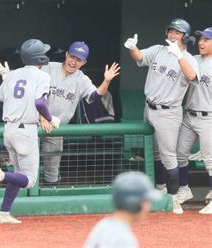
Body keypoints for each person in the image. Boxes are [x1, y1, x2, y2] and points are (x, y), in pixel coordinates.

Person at [0, 41, 120, 186]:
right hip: (32, 124)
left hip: (55, 128)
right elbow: (28, 83)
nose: (73, 62)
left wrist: (106, 81)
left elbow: (94, 96)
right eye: (72, 57)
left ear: (84, 62)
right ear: (66, 54)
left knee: (52, 170)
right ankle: (18, 196)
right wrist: (9, 76)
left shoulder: (81, 79)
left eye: (79, 59)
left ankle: (47, 199)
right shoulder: (48, 67)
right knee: (22, 168)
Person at [124, 18, 199, 214]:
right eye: (171, 31)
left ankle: (174, 198)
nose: (173, 35)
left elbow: (191, 77)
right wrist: (132, 47)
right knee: (155, 153)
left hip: (169, 111)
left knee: (168, 155)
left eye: (178, 32)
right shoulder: (158, 49)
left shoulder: (189, 59)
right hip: (149, 107)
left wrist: (179, 56)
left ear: (185, 36)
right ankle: (160, 188)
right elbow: (139, 57)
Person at [0, 39, 60, 224]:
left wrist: (7, 78)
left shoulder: (13, 74)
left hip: (9, 130)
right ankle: (1, 175)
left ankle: (3, 213)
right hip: (26, 130)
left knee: (18, 173)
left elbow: (0, 97)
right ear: (40, 57)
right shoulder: (42, 76)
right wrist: (50, 118)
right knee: (30, 180)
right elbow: (40, 102)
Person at [176, 27, 212, 214]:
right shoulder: (193, 60)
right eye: (200, 39)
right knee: (180, 154)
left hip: (209, 117)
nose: (201, 42)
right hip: (189, 115)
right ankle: (184, 188)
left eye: (206, 40)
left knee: (210, 161)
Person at [83, 171, 162, 248]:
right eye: (145, 201)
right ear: (133, 203)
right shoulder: (123, 239)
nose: (148, 207)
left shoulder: (103, 225)